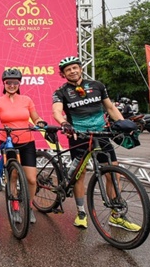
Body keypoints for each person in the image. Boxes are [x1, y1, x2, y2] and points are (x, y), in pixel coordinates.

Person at [52, 56, 141, 231]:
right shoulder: (60, 92)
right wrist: (64, 123)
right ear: (63, 74)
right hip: (79, 135)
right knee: (80, 175)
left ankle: (116, 215)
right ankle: (81, 213)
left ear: (81, 69)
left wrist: (123, 123)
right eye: (68, 69)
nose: (72, 71)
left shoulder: (97, 85)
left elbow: (110, 108)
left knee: (113, 173)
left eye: (75, 68)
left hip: (101, 133)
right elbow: (57, 111)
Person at [0, 68, 47, 224]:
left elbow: (36, 117)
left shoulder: (26, 100)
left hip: (27, 141)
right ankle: (15, 207)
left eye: (15, 82)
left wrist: (40, 122)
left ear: (19, 84)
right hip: (8, 142)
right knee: (12, 176)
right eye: (8, 82)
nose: (12, 85)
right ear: (4, 83)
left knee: (31, 179)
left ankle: (29, 206)